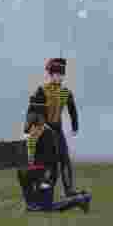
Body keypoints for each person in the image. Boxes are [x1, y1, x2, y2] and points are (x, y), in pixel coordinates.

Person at [24, 57, 80, 196]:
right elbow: (32, 110)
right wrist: (28, 128)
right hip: (43, 131)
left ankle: (68, 189)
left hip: (57, 130)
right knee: (46, 162)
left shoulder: (66, 92)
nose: (59, 77)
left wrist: (75, 126)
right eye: (56, 74)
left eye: (61, 74)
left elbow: (72, 110)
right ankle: (42, 189)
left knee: (64, 159)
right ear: (51, 74)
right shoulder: (42, 90)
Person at [18, 112, 90, 212]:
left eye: (32, 128)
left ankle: (79, 200)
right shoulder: (39, 135)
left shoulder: (47, 135)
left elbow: (49, 163)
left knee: (46, 207)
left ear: (38, 126)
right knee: (22, 172)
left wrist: (44, 179)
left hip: (47, 175)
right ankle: (31, 204)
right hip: (42, 173)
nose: (30, 132)